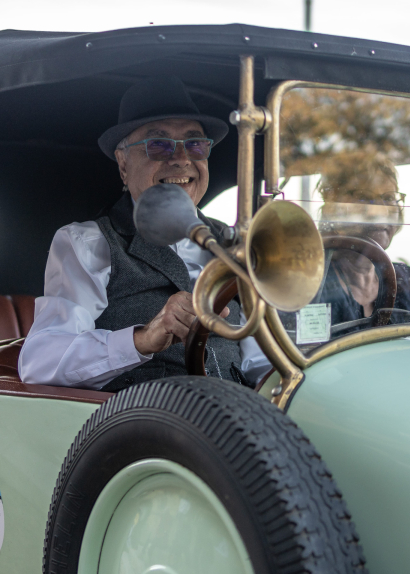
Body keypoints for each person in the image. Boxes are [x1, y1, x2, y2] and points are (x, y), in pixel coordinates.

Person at [19, 77, 269, 391]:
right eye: (159, 145)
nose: (181, 158)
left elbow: (262, 360)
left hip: (242, 417)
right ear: (123, 165)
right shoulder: (89, 243)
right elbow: (42, 361)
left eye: (195, 144)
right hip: (147, 425)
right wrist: (144, 338)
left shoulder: (234, 241)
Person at [315, 154, 410, 329]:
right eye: (363, 198)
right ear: (333, 209)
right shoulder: (308, 285)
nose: (381, 211)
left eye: (389, 198)